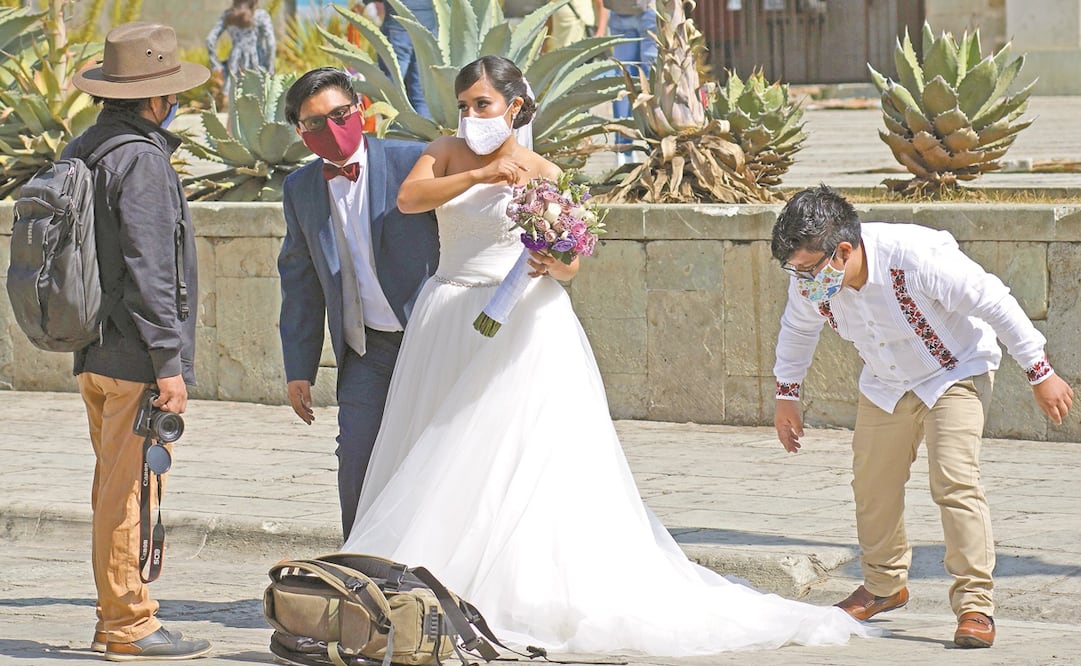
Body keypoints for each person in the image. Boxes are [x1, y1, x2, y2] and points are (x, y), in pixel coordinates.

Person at [340, 55, 877, 655]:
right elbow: (411, 200)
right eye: (464, 106)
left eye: (483, 105)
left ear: (514, 107)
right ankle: (424, 578)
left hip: (524, 323)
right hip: (447, 315)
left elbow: (569, 262)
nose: (470, 116)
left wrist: (552, 260)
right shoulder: (443, 152)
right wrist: (479, 178)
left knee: (507, 449)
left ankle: (512, 584)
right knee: (435, 442)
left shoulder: (545, 170)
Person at [770, 185, 1075, 649]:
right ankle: (883, 586)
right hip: (885, 383)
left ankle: (975, 605)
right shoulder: (811, 278)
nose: (802, 280)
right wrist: (786, 395)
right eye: (794, 270)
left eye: (808, 268)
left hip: (954, 371)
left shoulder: (916, 257)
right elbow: (797, 329)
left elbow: (994, 301)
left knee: (954, 479)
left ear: (844, 251)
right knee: (872, 482)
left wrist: (1040, 371)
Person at [67, 21, 212, 661]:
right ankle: (129, 624)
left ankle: (114, 616)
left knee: (112, 484)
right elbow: (151, 269)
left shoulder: (84, 148)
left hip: (92, 350)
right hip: (134, 357)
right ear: (155, 100)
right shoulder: (143, 159)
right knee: (128, 493)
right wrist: (169, 363)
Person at [277, 68, 439, 539]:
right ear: (299, 133)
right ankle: (362, 571)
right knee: (357, 461)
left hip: (428, 340)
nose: (330, 127)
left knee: (436, 460)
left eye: (339, 114)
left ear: (361, 108)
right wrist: (299, 368)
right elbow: (300, 281)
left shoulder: (413, 161)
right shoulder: (300, 189)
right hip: (365, 350)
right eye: (313, 123)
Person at [362, 0, 437, 117]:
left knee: (392, 90)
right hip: (428, 31)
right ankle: (424, 132)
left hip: (398, 28)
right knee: (422, 93)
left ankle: (395, 131)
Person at [604, 0, 656, 163]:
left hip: (619, 12)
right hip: (647, 11)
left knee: (623, 78)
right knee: (650, 80)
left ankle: (623, 147)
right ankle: (654, 144)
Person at [205, 0, 276, 98]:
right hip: (258, 64)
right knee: (260, 103)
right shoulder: (261, 16)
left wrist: (216, 66)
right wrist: (270, 68)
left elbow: (210, 39)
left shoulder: (228, 15)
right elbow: (271, 43)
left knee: (234, 101)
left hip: (235, 65)